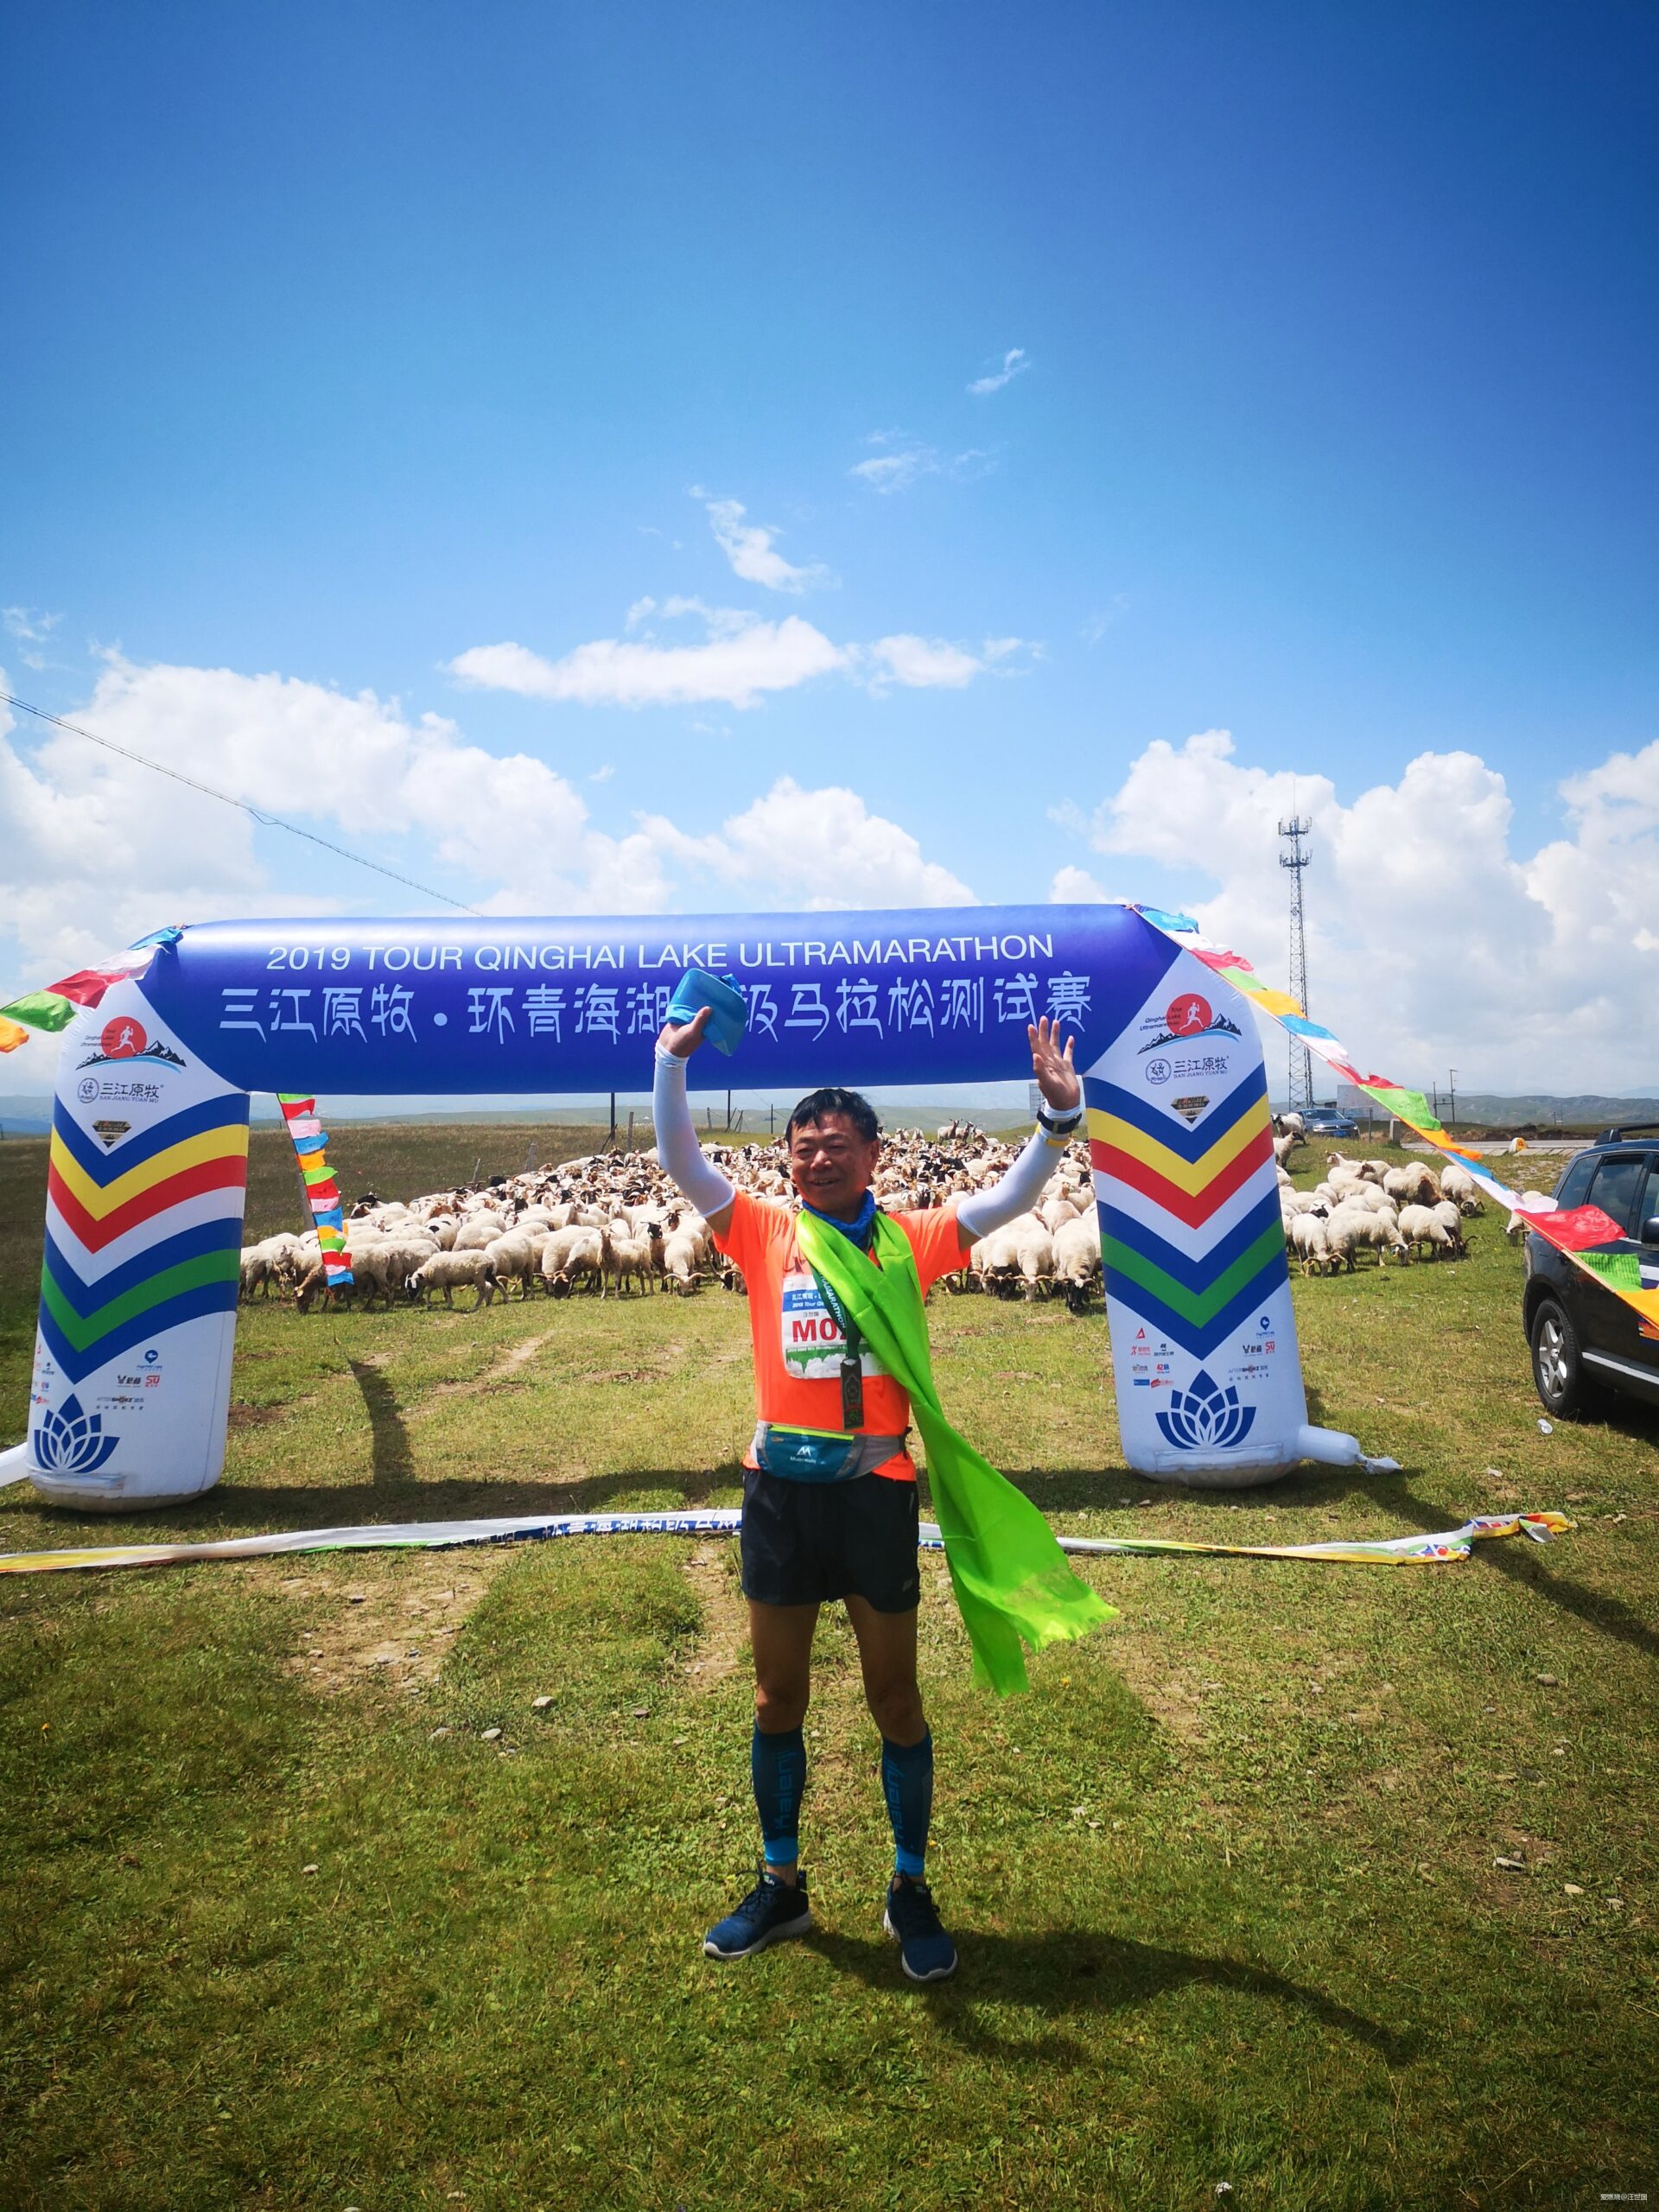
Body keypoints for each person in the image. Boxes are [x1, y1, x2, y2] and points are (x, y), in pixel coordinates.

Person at [652, 1007, 1084, 1983]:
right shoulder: (763, 1230)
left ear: (874, 1155)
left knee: (895, 1697)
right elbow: (682, 1161)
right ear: (786, 1160)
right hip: (779, 1499)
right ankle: (780, 1884)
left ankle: (910, 1886)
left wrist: (1060, 1123)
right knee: (776, 1695)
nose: (818, 1162)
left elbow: (1012, 1201)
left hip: (876, 1493)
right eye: (803, 1149)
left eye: (837, 1147)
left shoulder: (912, 1239)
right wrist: (667, 1066)